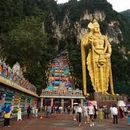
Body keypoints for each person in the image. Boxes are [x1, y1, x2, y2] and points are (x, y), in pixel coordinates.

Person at [81, 19, 114, 95]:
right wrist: (90, 41)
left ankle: (104, 90)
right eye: (95, 27)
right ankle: (98, 89)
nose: (97, 28)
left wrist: (109, 53)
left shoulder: (103, 37)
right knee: (96, 73)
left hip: (104, 54)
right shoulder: (91, 37)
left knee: (105, 73)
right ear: (93, 28)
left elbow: (109, 46)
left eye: (98, 27)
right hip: (94, 55)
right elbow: (84, 44)